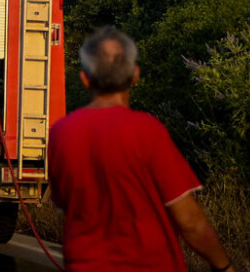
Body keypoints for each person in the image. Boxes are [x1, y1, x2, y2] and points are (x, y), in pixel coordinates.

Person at [48, 27, 235, 272]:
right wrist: (223, 265)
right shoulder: (148, 131)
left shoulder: (61, 133)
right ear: (135, 75)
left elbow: (65, 204)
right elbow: (189, 221)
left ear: (84, 78)